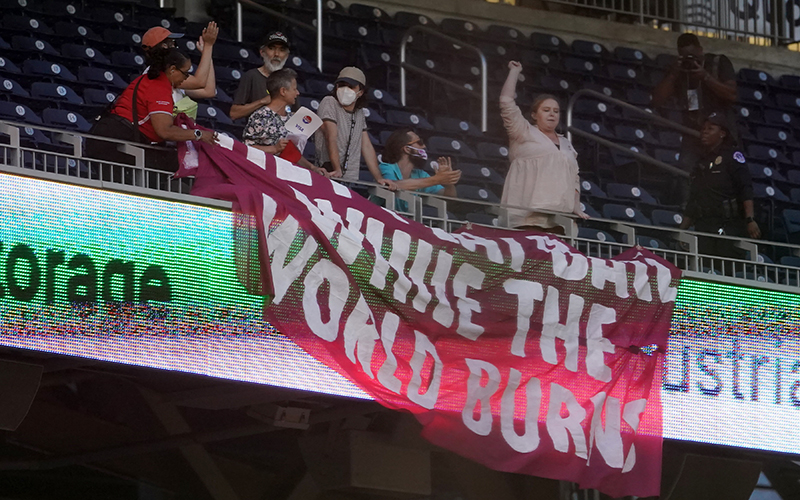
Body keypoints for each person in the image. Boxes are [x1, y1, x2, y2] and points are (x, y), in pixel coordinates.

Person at [86, 48, 217, 169]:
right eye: (185, 73)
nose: (186, 78)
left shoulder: (150, 80)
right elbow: (164, 131)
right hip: (115, 145)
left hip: (112, 140)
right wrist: (198, 134)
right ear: (172, 69)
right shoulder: (158, 88)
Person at [499, 61, 588, 231]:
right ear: (534, 114)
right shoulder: (523, 131)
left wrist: (575, 205)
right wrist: (515, 71)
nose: (552, 114)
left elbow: (574, 177)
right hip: (527, 217)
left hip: (560, 219)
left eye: (556, 111)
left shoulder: (566, 143)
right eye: (546, 110)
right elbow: (506, 101)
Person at [652, 33, 737, 175]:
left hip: (720, 134)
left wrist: (705, 77)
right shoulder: (679, 71)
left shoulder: (717, 62)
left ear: (700, 50)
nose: (690, 61)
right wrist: (673, 74)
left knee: (721, 175)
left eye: (692, 56)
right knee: (686, 173)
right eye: (685, 57)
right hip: (694, 134)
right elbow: (656, 100)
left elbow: (732, 95)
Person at [680, 112, 760, 258]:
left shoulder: (732, 156)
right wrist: (682, 230)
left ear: (722, 133)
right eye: (703, 128)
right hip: (703, 225)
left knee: (726, 270)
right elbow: (694, 198)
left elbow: (745, 188)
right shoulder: (701, 162)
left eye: (710, 128)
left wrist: (750, 219)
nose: (704, 131)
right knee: (703, 271)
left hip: (728, 225)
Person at [313, 67, 394, 189]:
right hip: (328, 174)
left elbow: (366, 146)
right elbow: (331, 136)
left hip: (347, 180)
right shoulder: (329, 102)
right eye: (341, 85)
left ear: (360, 92)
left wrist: (379, 178)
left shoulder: (359, 113)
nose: (345, 90)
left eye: (351, 87)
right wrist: (337, 169)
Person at [243, 68, 328, 175]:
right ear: (283, 91)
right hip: (263, 176)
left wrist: (312, 168)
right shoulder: (261, 116)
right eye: (294, 89)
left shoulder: (292, 119)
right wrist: (274, 149)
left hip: (287, 175)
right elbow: (246, 148)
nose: (297, 93)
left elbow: (292, 152)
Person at [141, 23, 218, 115]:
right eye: (172, 43)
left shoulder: (176, 78)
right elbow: (199, 82)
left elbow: (209, 91)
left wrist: (207, 53)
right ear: (164, 46)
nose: (176, 47)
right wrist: (208, 47)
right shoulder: (157, 72)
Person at [377, 128, 461, 212]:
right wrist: (437, 179)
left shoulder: (420, 174)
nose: (424, 146)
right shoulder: (385, 167)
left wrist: (448, 182)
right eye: (419, 142)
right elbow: (393, 185)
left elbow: (450, 199)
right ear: (407, 149)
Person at [229, 32, 291, 121]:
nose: (276, 54)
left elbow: (295, 113)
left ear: (287, 55)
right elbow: (234, 113)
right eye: (272, 48)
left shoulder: (289, 81)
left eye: (281, 50)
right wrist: (262, 102)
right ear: (262, 52)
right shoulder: (251, 76)